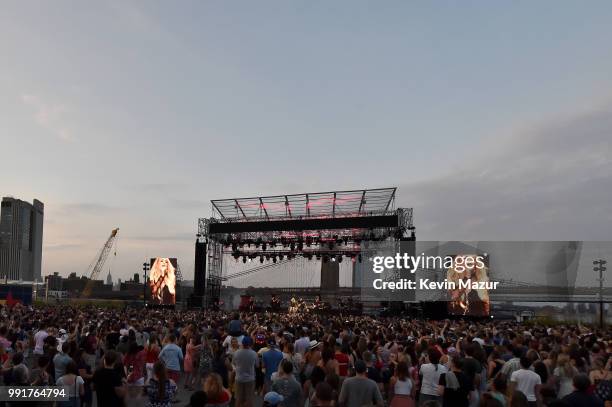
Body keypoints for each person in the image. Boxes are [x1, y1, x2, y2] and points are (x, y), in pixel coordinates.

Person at [233, 336, 259, 407]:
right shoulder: (254, 353)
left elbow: (234, 363)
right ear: (250, 344)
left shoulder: (236, 353)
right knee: (249, 399)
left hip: (238, 378)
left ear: (242, 343)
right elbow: (257, 365)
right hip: (250, 379)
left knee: (238, 399)